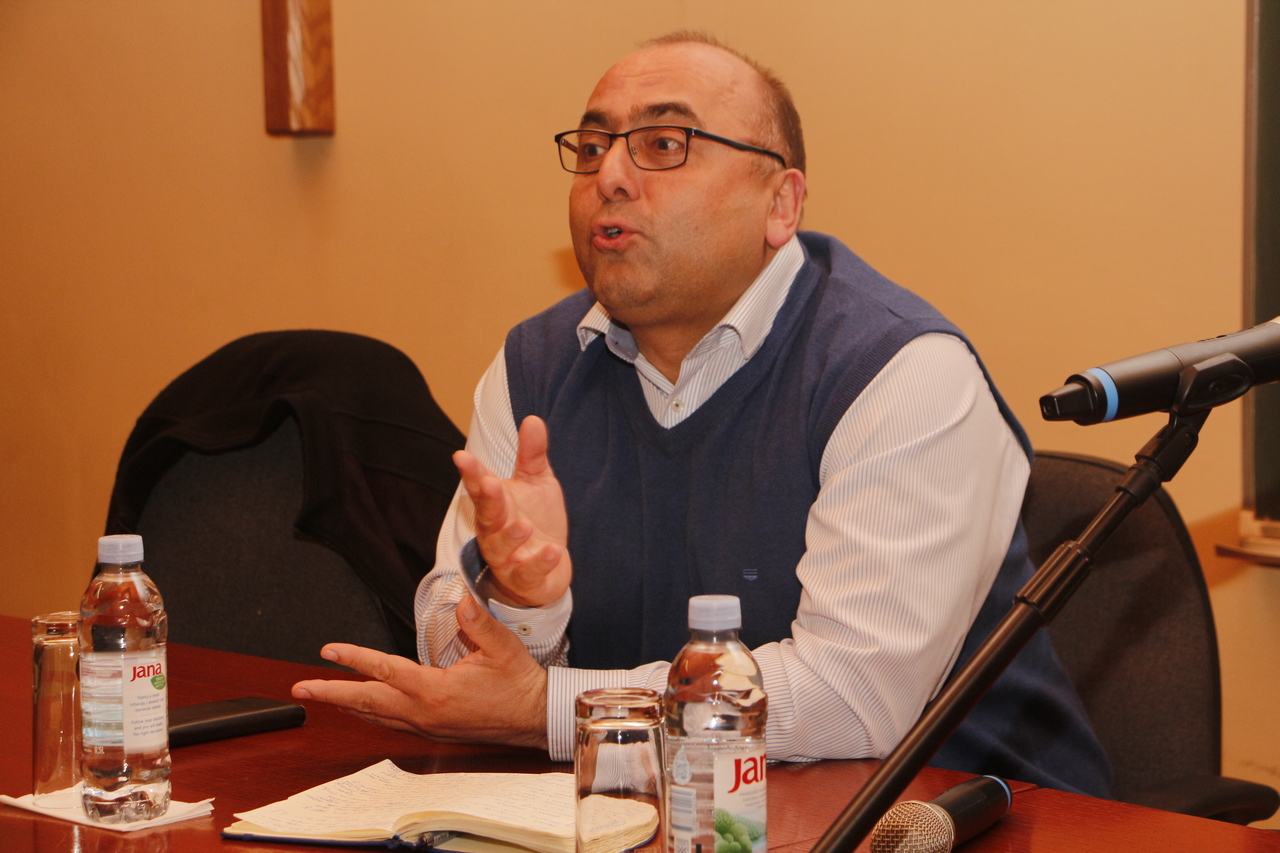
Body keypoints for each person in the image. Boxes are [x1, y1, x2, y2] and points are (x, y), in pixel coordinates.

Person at [293, 32, 1111, 797]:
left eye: (662, 144)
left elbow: (852, 697)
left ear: (781, 203)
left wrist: (550, 708)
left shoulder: (903, 371)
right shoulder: (533, 366)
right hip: (655, 811)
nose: (611, 176)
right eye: (593, 146)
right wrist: (520, 601)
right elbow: (458, 665)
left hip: (963, 815)